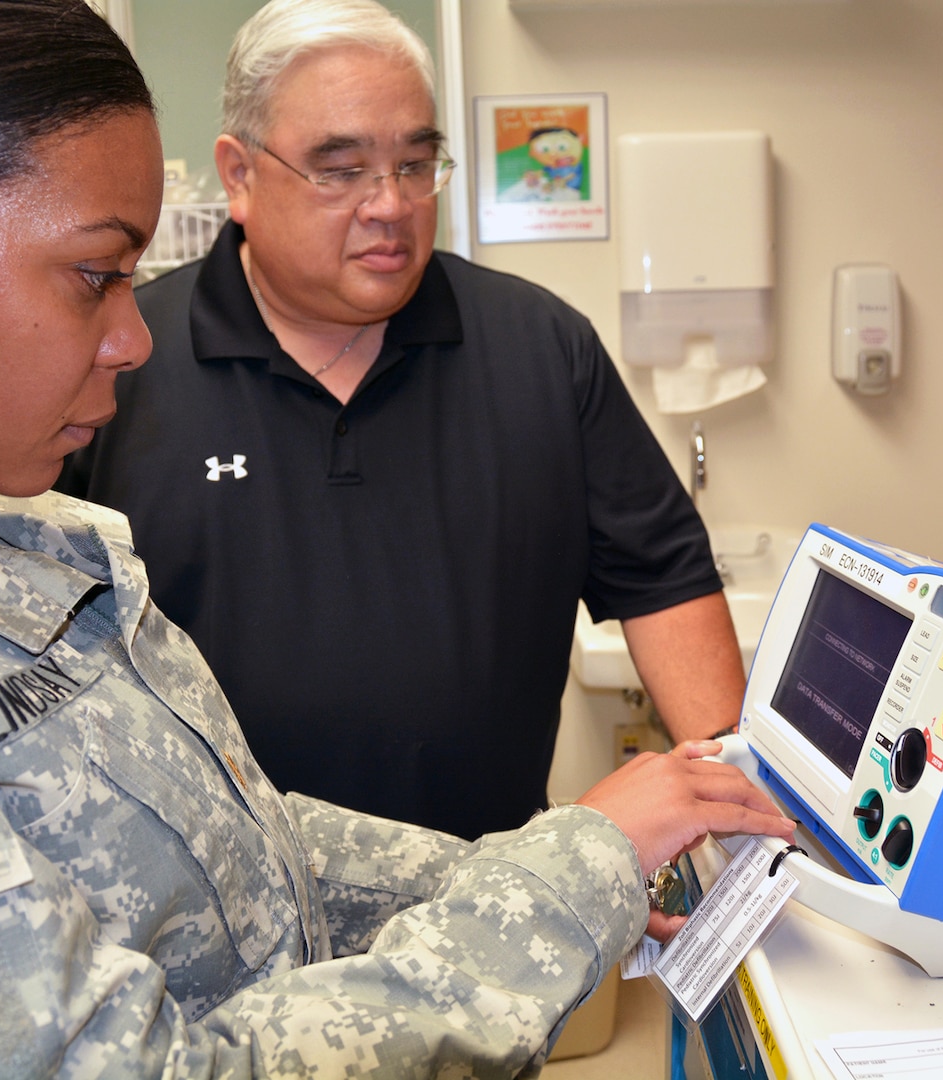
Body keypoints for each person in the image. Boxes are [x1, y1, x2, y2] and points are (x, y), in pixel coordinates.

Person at [0, 0, 794, 1075]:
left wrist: (548, 881)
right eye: (94, 275)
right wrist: (564, 880)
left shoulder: (10, 541)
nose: (129, 336)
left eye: (414, 164)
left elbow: (241, 851)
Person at [58, 0, 749, 840]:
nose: (390, 204)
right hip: (224, 939)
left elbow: (666, 582)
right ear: (238, 175)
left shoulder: (540, 346)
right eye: (340, 169)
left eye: (416, 164)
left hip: (505, 917)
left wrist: (727, 808)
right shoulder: (120, 359)